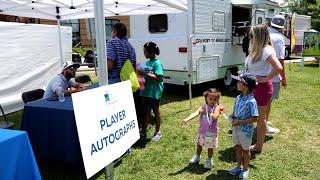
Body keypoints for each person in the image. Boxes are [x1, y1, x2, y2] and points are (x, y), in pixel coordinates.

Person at [245, 24, 283, 152]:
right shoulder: (255, 48)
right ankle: (249, 139)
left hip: (262, 88)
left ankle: (259, 145)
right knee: (252, 115)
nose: (249, 37)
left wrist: (265, 78)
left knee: (261, 118)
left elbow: (278, 67)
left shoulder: (267, 50)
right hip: (252, 85)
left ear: (258, 35)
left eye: (251, 35)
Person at [180, 88, 222, 169]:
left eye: (215, 99)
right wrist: (187, 119)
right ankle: (197, 156)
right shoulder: (203, 106)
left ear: (217, 100)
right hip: (202, 131)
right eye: (210, 99)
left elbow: (215, 117)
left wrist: (209, 113)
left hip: (211, 132)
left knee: (210, 147)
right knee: (199, 144)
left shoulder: (217, 107)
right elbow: (195, 113)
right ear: (206, 98)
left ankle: (209, 159)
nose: (212, 101)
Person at [228, 73, 259, 179]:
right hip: (236, 128)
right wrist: (232, 116)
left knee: (245, 150)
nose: (237, 83)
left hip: (245, 131)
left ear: (245, 86)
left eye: (239, 82)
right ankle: (238, 166)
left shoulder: (251, 101)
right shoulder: (238, 97)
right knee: (237, 147)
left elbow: (255, 118)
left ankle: (245, 169)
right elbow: (235, 110)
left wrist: (240, 122)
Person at [266, 15, 288, 135]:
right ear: (282, 27)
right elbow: (280, 60)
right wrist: (283, 78)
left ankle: (263, 120)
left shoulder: (264, 33)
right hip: (272, 75)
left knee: (261, 100)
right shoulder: (279, 38)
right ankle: (264, 124)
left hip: (260, 72)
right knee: (268, 101)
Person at [139, 42, 164, 142]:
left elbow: (159, 77)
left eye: (145, 51)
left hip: (154, 93)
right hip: (147, 92)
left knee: (156, 111)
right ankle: (143, 131)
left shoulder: (157, 63)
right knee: (147, 112)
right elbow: (145, 74)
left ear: (151, 52)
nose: (144, 53)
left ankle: (158, 132)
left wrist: (145, 73)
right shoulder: (147, 62)